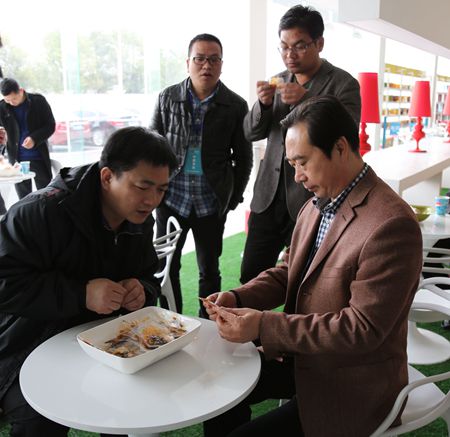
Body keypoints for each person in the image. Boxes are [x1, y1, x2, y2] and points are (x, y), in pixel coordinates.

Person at [203, 96, 423, 437]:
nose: (297, 176)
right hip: (301, 357)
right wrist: (239, 297)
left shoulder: (391, 225)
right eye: (292, 164)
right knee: (216, 392)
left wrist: (264, 326)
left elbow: (361, 330)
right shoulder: (317, 204)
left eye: (302, 162)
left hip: (350, 383)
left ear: (340, 148)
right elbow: (289, 272)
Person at [0, 126, 178, 437]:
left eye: (161, 190)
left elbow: (147, 275)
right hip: (28, 342)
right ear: (107, 177)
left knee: (130, 405)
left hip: (103, 341)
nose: (152, 200)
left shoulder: (138, 216)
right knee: (40, 419)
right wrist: (81, 294)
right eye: (143, 187)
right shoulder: (40, 212)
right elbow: (5, 284)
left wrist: (141, 289)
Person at [240, 4, 361, 284]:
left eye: (299, 46)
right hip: (268, 197)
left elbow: (348, 135)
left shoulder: (343, 84)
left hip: (313, 198)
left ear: (319, 43)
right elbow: (250, 132)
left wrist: (307, 100)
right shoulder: (278, 81)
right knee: (251, 276)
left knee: (304, 282)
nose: (289, 55)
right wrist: (262, 105)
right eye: (283, 47)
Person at [150, 33, 252, 317]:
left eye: (214, 59)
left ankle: (207, 323)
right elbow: (150, 148)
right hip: (171, 199)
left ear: (221, 65)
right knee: (166, 267)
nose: (206, 65)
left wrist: (233, 198)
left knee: (209, 269)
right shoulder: (167, 98)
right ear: (188, 63)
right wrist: (154, 193)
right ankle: (169, 321)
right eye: (200, 59)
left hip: (211, 203)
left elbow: (243, 158)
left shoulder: (235, 105)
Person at [0, 77, 56, 199]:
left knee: (46, 197)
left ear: (21, 91)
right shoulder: (2, 107)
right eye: (7, 100)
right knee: (24, 200)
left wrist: (34, 138)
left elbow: (50, 125)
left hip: (38, 158)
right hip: (16, 162)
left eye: (14, 99)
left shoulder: (38, 101)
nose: (11, 103)